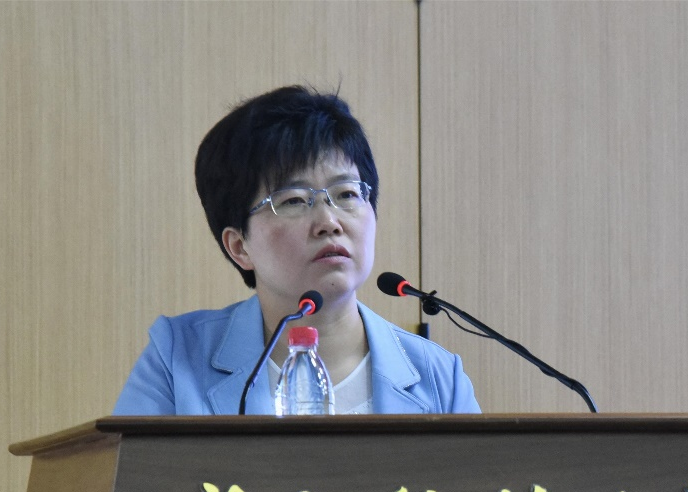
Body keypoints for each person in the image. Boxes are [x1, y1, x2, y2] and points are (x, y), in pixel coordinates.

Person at [113, 86, 480, 415]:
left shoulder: (439, 378)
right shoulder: (177, 358)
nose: (329, 222)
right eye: (293, 200)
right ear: (239, 247)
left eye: (347, 194)